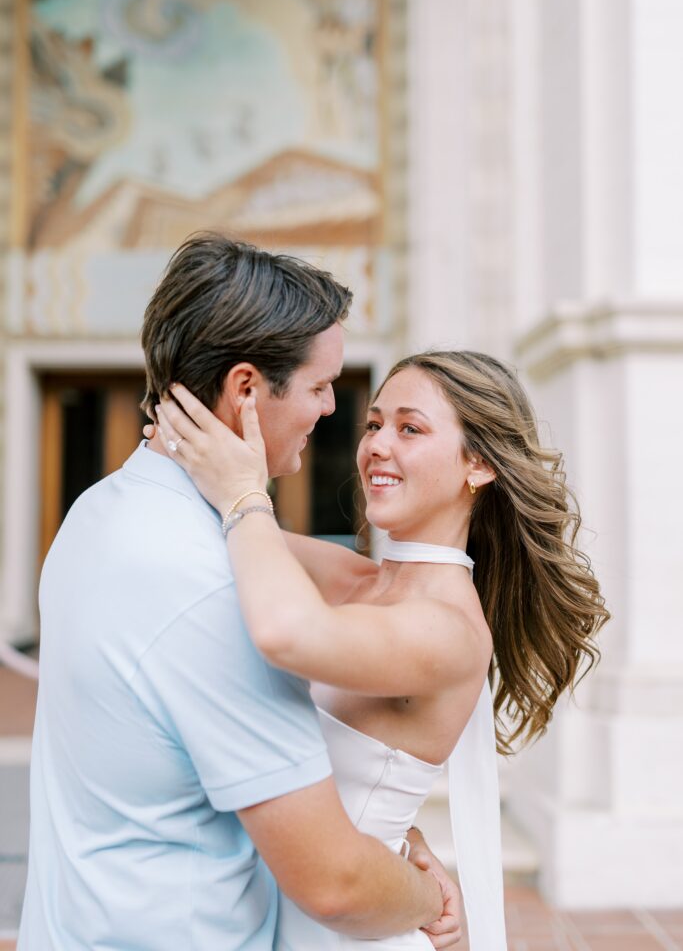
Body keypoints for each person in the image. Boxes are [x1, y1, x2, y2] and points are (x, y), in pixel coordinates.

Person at [18, 235, 461, 951]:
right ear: (247, 390)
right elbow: (335, 884)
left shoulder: (97, 511)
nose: (329, 413)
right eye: (321, 387)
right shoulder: (213, 589)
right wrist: (426, 897)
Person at [153, 349, 610, 950]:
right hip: (275, 910)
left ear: (479, 465)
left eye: (410, 428)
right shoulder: (350, 578)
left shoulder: (451, 630)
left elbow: (286, 630)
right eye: (373, 424)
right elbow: (203, 526)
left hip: (344, 933)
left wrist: (246, 493)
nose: (376, 446)